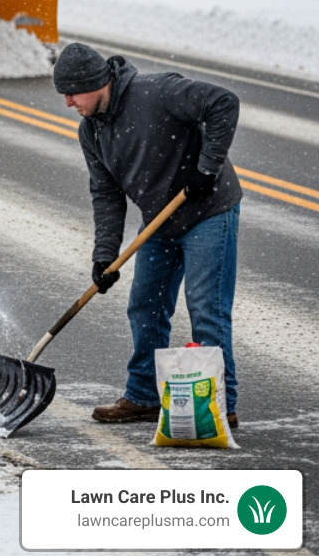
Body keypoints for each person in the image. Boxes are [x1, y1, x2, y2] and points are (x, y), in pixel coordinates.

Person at [52, 42, 243, 427]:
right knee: (146, 306)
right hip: (161, 219)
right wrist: (104, 255)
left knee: (206, 309)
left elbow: (224, 102)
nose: (69, 102)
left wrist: (207, 169)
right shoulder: (91, 132)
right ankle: (144, 396)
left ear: (95, 82)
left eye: (72, 93)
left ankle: (221, 406)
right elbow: (106, 194)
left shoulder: (158, 92)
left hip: (208, 211)